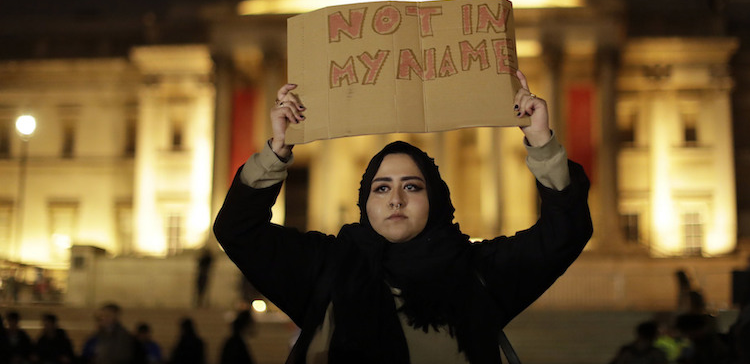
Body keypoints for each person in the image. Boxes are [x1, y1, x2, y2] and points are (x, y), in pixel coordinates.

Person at [213, 70, 593, 363]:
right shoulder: (326, 266)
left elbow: (565, 232)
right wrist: (277, 150)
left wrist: (542, 142)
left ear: (436, 201)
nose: (395, 199)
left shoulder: (478, 271)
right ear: (365, 203)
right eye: (381, 188)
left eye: (412, 186)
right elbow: (238, 229)